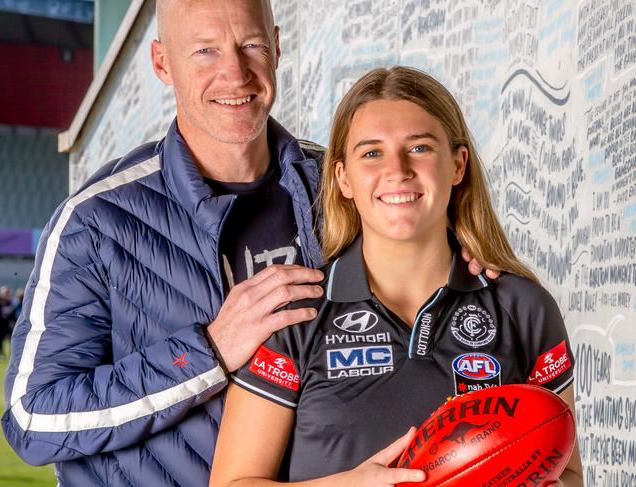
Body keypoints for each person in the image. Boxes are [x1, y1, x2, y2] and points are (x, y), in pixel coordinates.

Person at [1, 2, 493, 486]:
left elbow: (423, 268)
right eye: (205, 51)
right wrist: (209, 350)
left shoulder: (343, 186)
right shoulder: (96, 221)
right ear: (161, 63)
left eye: (251, 45)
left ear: (276, 48)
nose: (235, 73)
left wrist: (462, 257)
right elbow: (34, 419)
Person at [210, 66, 584, 486]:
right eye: (372, 152)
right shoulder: (294, 315)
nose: (398, 169)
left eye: (420, 147)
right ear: (343, 178)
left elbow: (567, 473)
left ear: (458, 165)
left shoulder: (524, 308)